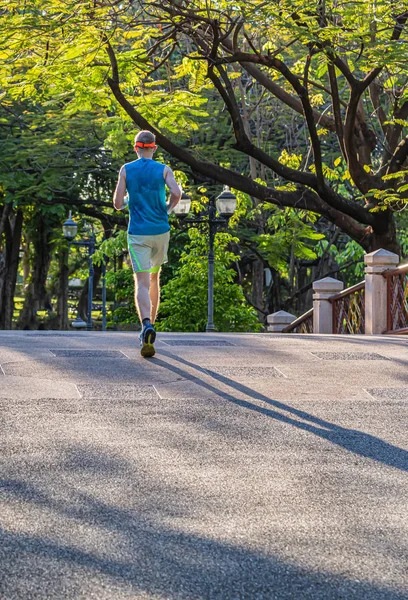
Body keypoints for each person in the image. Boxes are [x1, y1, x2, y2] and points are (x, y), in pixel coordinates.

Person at [113, 130, 181, 357]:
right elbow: (177, 192)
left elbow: (117, 204)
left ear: (136, 148)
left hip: (138, 234)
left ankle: (145, 325)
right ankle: (151, 324)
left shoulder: (126, 170)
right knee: (154, 277)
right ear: (154, 148)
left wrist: (130, 198)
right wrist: (168, 209)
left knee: (141, 281)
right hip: (160, 231)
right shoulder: (163, 169)